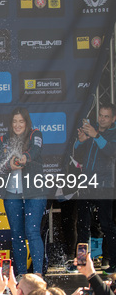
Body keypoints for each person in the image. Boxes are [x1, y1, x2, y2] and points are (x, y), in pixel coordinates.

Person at [0, 107, 47, 276]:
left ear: (26, 122)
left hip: (35, 191)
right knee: (16, 235)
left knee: (32, 232)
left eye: (21, 121)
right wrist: (7, 165)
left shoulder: (35, 134)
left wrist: (25, 157)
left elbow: (35, 150)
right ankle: (22, 274)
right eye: (14, 121)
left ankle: (39, 274)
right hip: (12, 193)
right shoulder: (4, 138)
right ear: (10, 123)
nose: (17, 125)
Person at [72, 103, 116, 273]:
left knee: (106, 225)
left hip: (105, 185)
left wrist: (96, 135)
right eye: (101, 115)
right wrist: (80, 142)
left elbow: (110, 151)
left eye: (106, 116)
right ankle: (81, 262)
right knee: (82, 225)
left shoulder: (111, 133)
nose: (102, 119)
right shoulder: (91, 130)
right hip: (86, 183)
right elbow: (77, 152)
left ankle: (111, 260)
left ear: (113, 118)